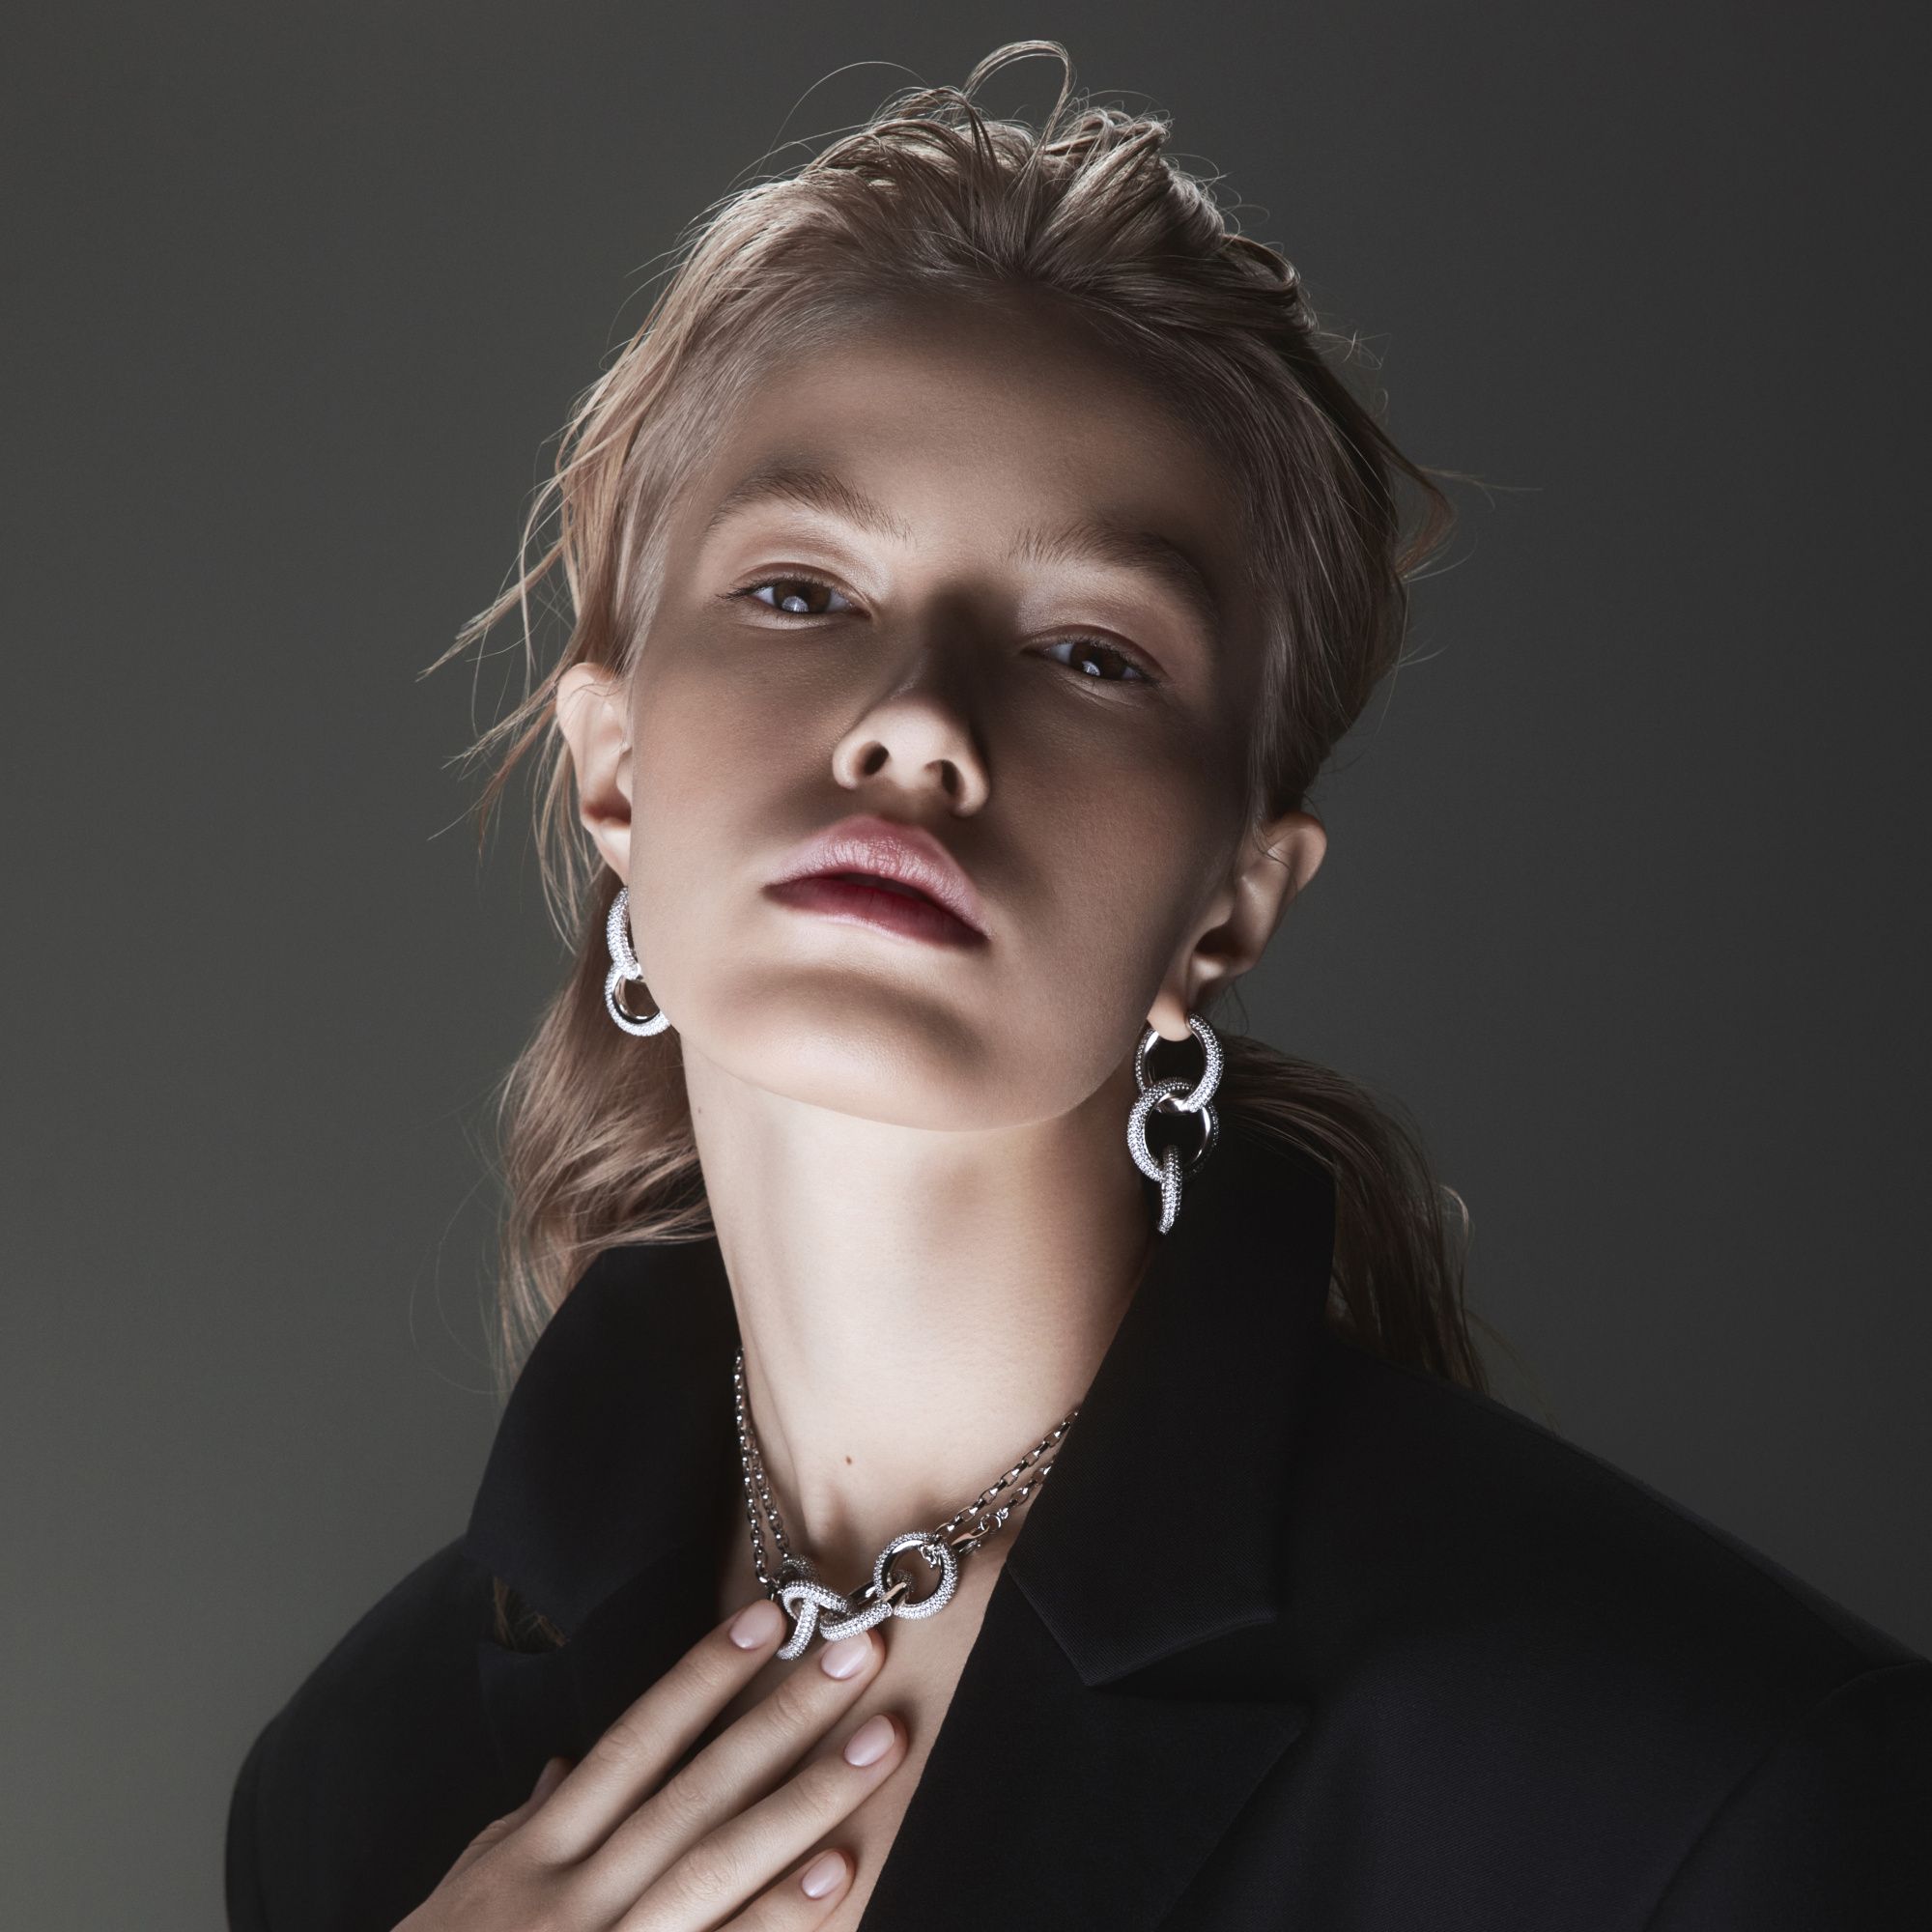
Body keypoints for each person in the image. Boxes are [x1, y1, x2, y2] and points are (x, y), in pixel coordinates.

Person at [225, 40, 1932, 1932]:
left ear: (1231, 901)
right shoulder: (358, 1787)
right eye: (803, 591)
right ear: (613, 775)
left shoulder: (1700, 1791)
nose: (917, 723)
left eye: (1091, 653)